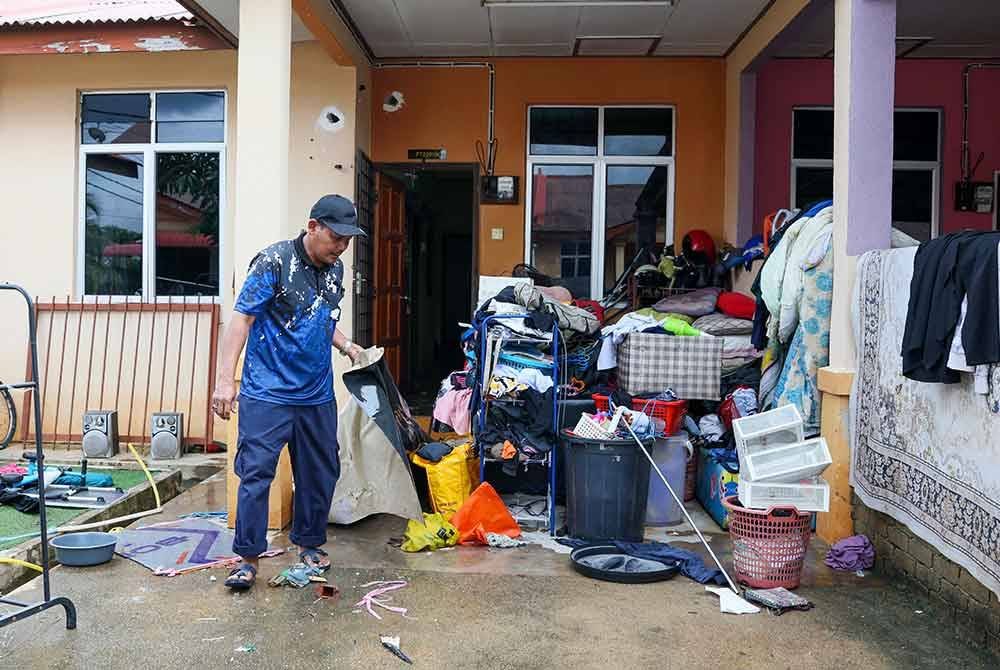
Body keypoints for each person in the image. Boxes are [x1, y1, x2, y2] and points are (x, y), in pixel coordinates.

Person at [212, 194, 366, 591]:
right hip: (267, 392)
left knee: (320, 472)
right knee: (255, 474)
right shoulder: (274, 262)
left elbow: (320, 317)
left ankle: (310, 545)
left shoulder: (336, 270)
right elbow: (242, 318)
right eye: (336, 237)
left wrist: (347, 345)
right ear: (312, 226)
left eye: (348, 240)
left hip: (316, 394)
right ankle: (247, 558)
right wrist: (225, 381)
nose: (342, 247)